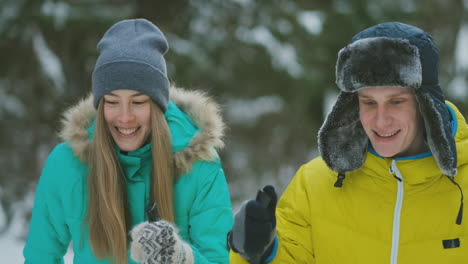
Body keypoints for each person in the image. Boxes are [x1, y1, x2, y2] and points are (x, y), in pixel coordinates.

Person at [229, 22, 468, 263]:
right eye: (369, 102)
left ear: (425, 104)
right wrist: (260, 252)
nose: (381, 120)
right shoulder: (315, 183)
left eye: (396, 102)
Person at [23, 18, 233, 264]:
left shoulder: (198, 165)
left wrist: (182, 258)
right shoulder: (67, 163)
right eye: (111, 102)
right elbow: (41, 257)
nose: (124, 117)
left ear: (157, 106)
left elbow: (219, 259)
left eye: (138, 102)